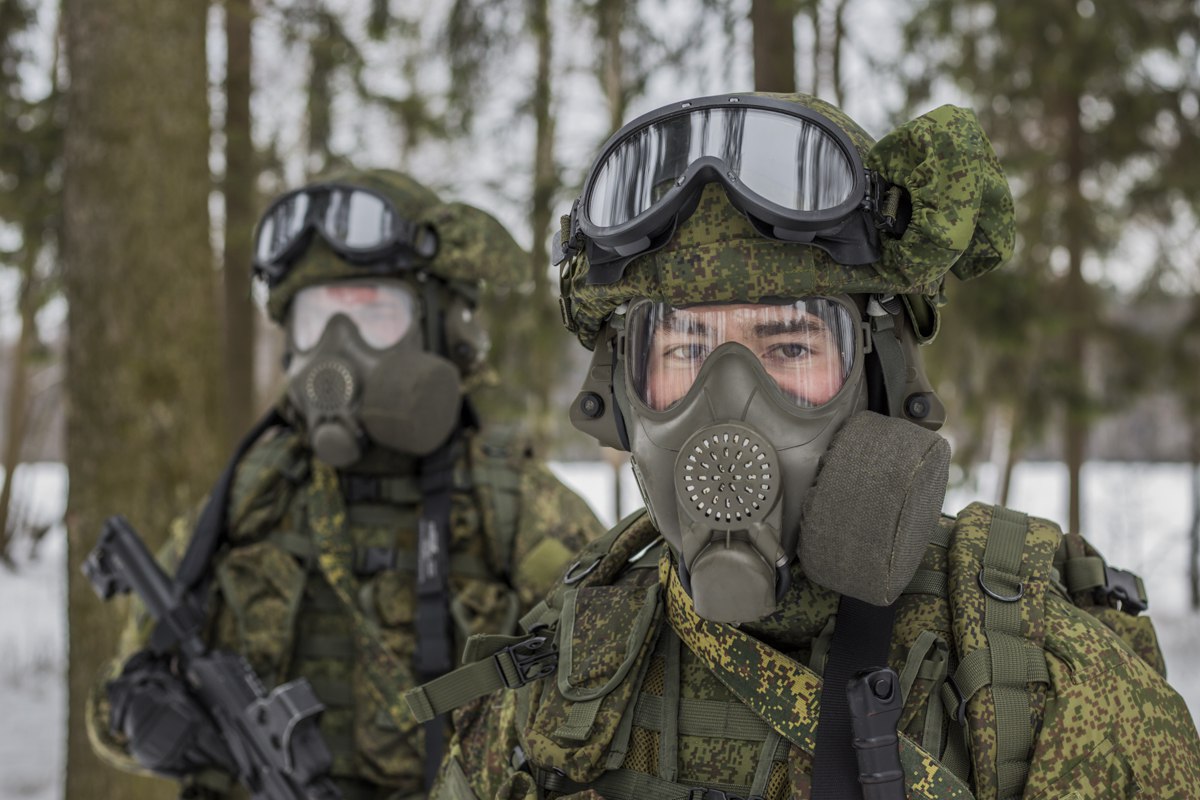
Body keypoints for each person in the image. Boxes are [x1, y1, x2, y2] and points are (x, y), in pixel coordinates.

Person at [409, 95, 1200, 800]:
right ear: (622, 398)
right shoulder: (568, 664)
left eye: (789, 348)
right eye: (683, 352)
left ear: (882, 372)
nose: (725, 410)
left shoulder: (1036, 678)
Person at [86, 169, 606, 800]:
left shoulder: (518, 506)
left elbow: (614, 724)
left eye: (373, 316)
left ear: (447, 329)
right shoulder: (250, 497)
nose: (338, 351)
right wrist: (146, 720)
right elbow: (116, 698)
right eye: (317, 321)